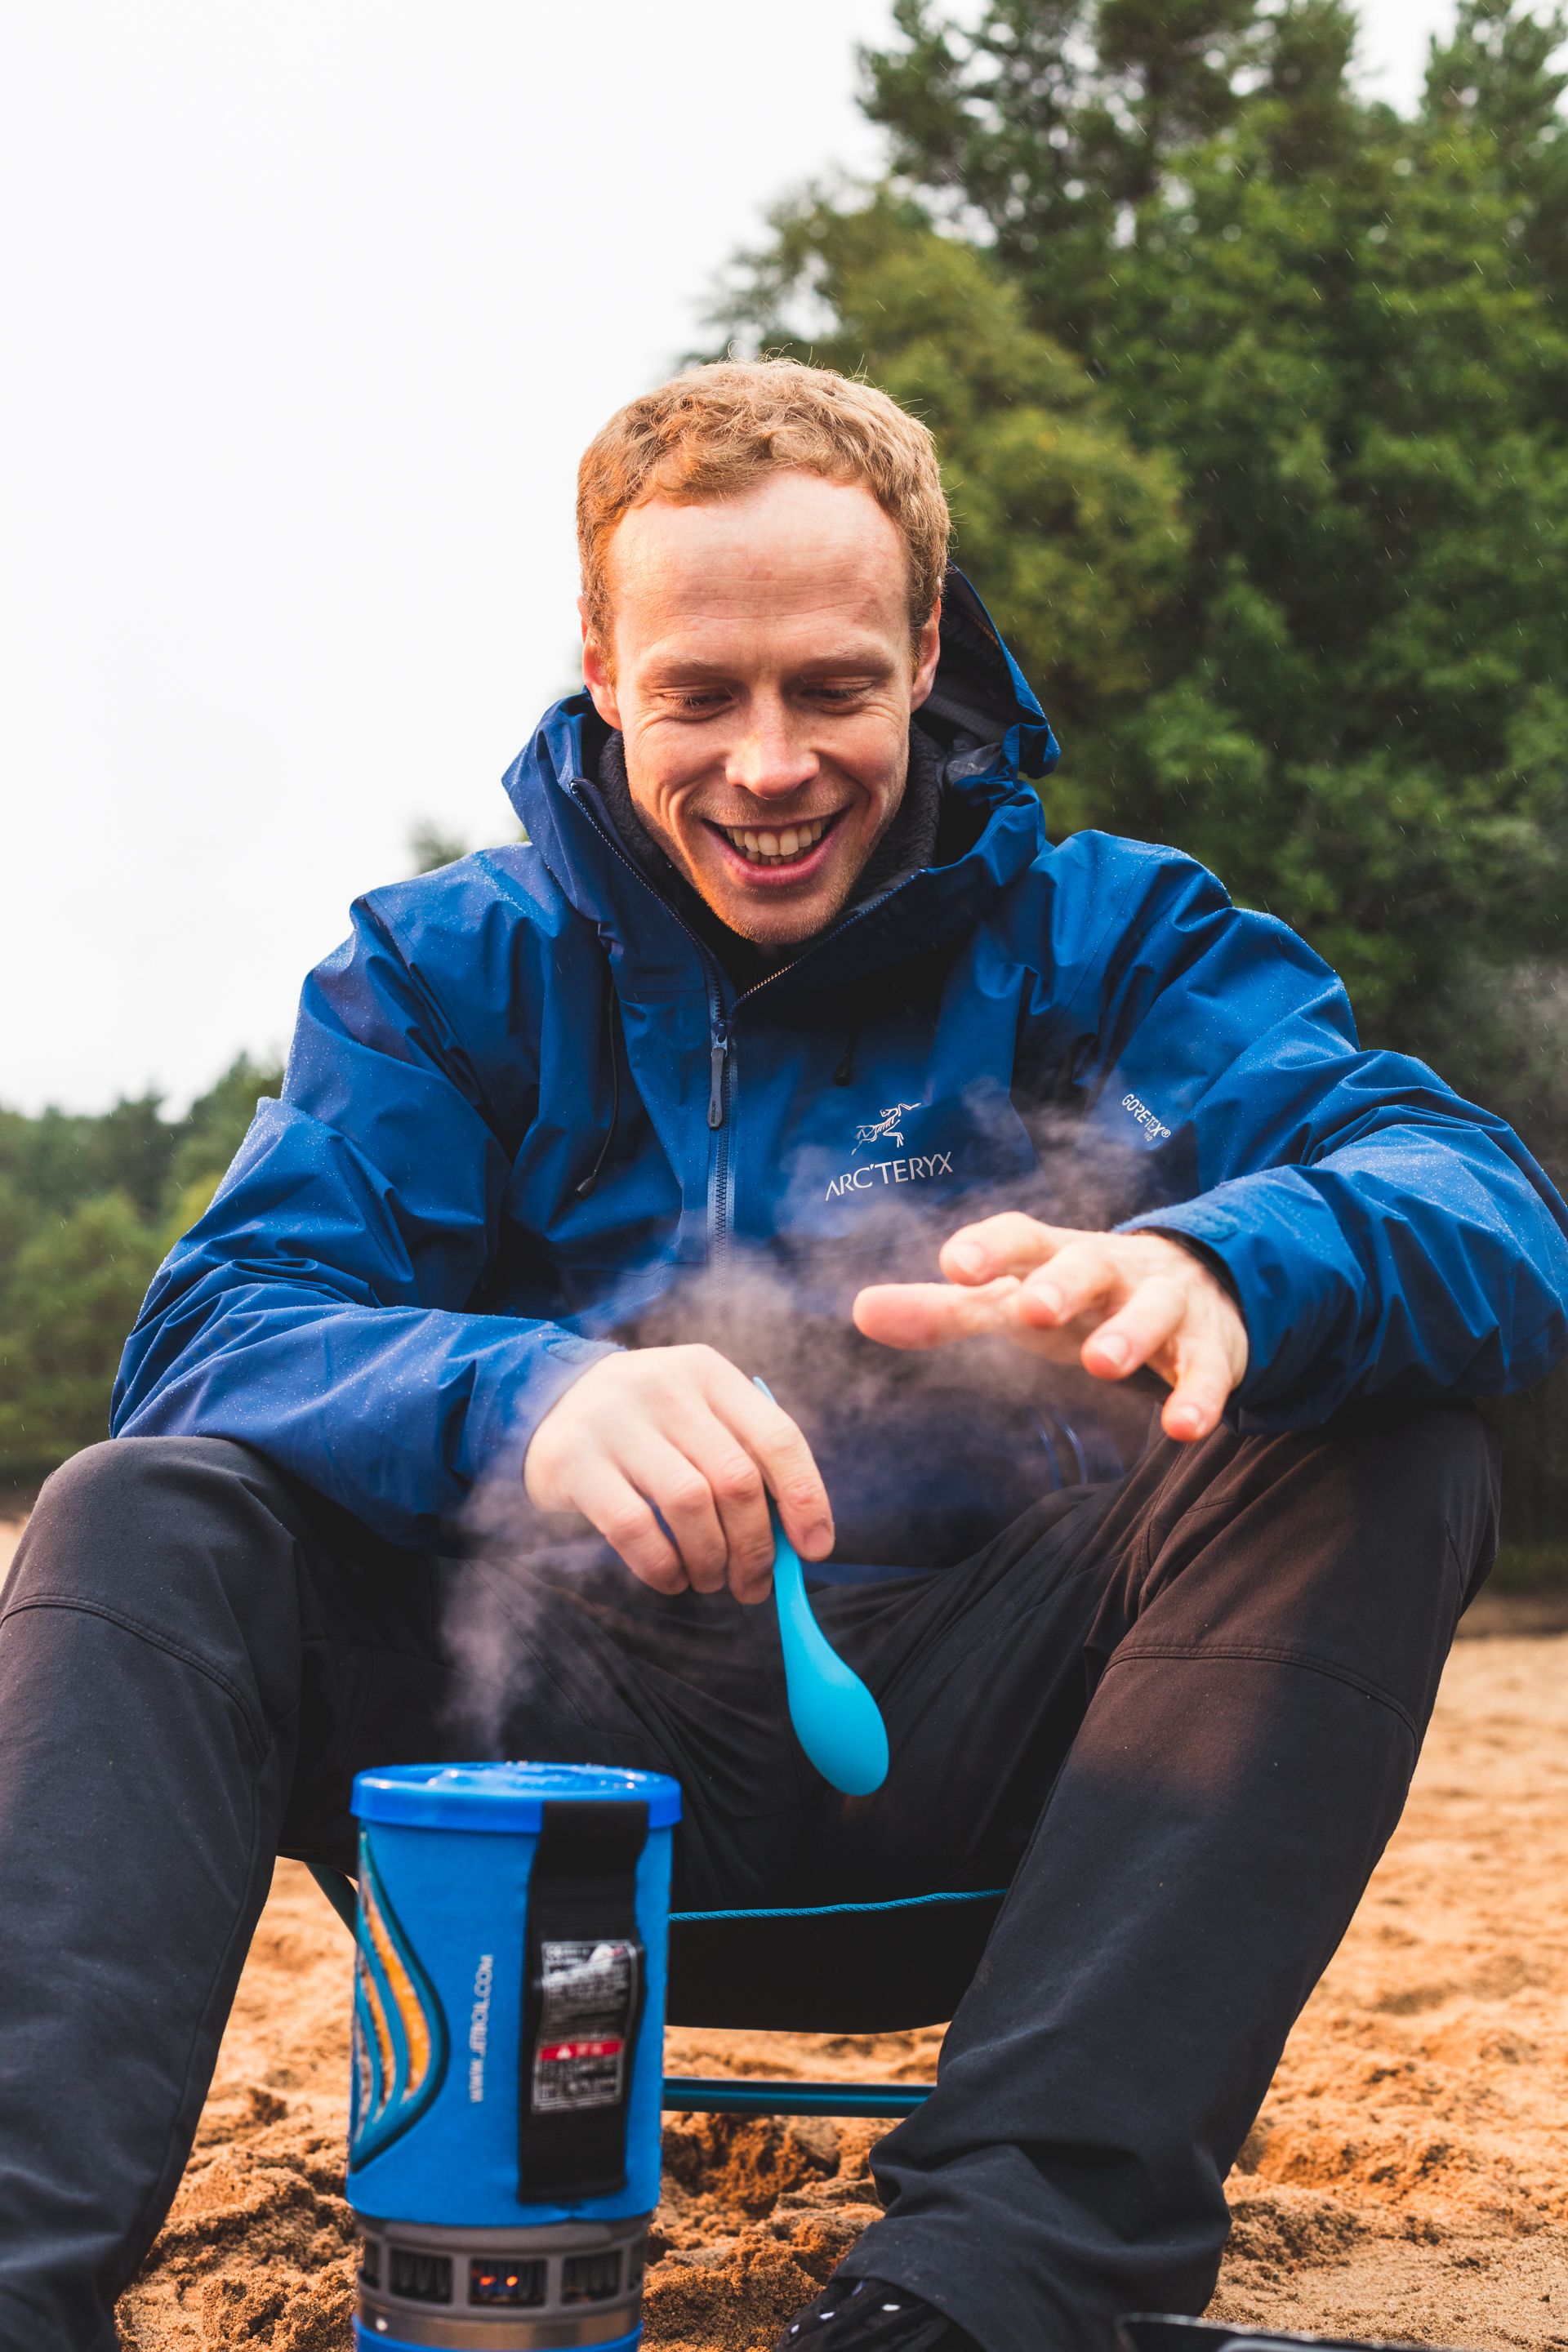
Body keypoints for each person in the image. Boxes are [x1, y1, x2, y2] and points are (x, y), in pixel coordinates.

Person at [2, 360, 1564, 2352]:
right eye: (700, 695)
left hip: (1022, 1749)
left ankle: (990, 2287)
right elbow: (214, 1331)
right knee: (145, 1508)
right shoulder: (439, 970)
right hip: (538, 1759)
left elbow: (1480, 1197)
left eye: (832, 690)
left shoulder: (1110, 940)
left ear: (927, 653)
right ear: (601, 668)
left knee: (1391, 1437)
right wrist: (527, 1398)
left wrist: (1229, 1259)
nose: (768, 765)